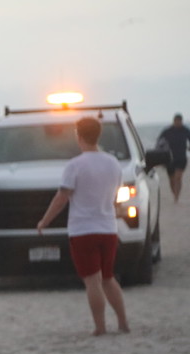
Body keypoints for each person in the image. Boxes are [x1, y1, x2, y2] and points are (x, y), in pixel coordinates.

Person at [37, 117, 130, 335]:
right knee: (108, 278)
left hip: (83, 230)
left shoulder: (75, 165)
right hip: (108, 228)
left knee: (92, 281)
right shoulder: (113, 163)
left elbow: (62, 197)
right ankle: (123, 322)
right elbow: (117, 193)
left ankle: (100, 327)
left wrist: (45, 221)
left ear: (78, 136)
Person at [157, 113, 190, 203]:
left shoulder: (185, 130)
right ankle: (175, 194)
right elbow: (159, 141)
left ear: (182, 121)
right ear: (173, 121)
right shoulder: (168, 131)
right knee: (172, 180)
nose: (178, 123)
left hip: (181, 158)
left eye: (179, 121)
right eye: (176, 121)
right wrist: (160, 152)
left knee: (178, 178)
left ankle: (176, 197)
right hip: (169, 159)